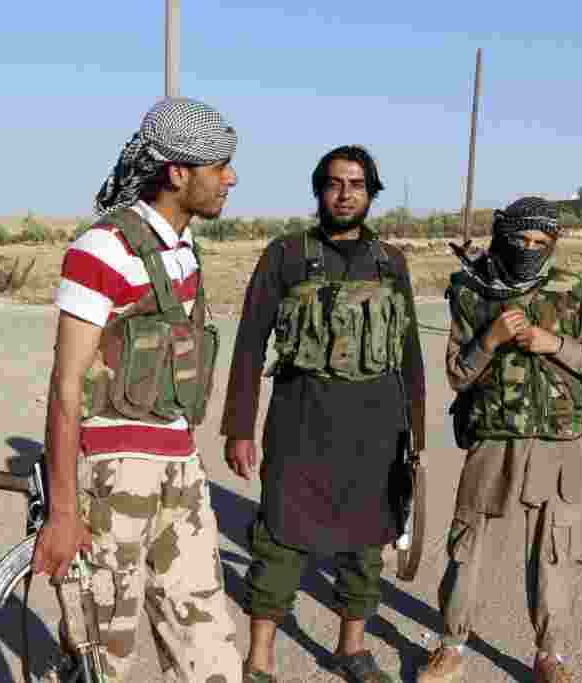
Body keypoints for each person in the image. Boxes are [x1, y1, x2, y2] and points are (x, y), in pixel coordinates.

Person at [30, 97, 243, 683]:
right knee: (103, 659)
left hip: (180, 471)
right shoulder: (101, 249)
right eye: (218, 165)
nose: (231, 178)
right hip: (113, 478)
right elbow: (66, 385)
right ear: (177, 173)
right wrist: (65, 510)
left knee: (211, 654)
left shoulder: (183, 248)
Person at [220, 145, 426, 683]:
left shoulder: (391, 262)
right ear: (319, 190)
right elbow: (248, 345)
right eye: (334, 183)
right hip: (299, 426)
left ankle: (351, 650)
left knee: (365, 545)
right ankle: (260, 661)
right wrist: (239, 428)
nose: (344, 193)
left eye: (356, 184)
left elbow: (409, 355)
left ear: (370, 193)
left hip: (377, 430)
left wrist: (416, 436)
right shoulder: (285, 255)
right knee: (279, 539)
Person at [417, 197, 582, 683]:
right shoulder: (471, 292)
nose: (529, 250)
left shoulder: (569, 288)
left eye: (540, 243)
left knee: (553, 551)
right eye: (519, 241)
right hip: (494, 438)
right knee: (470, 545)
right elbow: (457, 375)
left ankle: (551, 657)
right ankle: (451, 645)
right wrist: (488, 339)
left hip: (557, 444)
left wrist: (554, 344)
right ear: (501, 239)